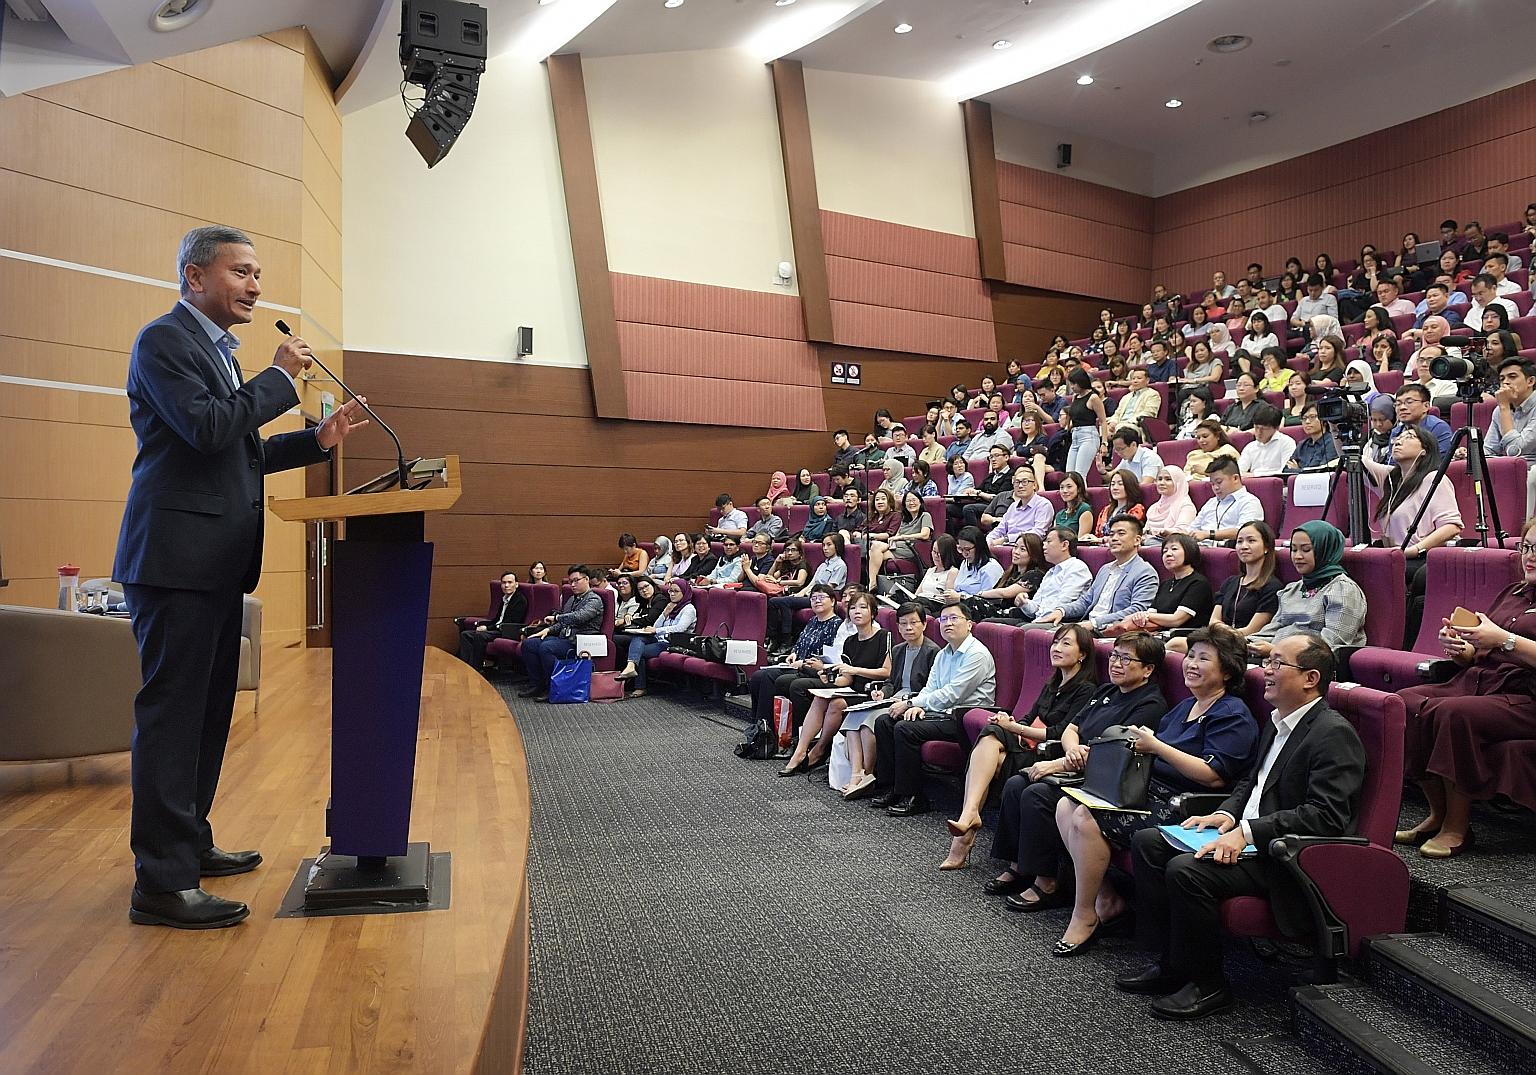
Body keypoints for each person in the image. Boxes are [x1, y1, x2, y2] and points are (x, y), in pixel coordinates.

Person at [113, 227, 371, 929]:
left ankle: (188, 842)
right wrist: (281, 379)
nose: (256, 285)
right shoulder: (165, 341)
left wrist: (315, 441)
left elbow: (236, 447)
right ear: (196, 277)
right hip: (174, 562)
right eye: (242, 272)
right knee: (172, 720)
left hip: (213, 564)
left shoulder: (218, 354)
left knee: (206, 715)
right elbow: (204, 428)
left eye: (259, 273)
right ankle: (160, 883)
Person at [1122, 632, 1364, 1020]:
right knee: (1150, 842)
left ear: (1310, 678)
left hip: (1282, 855)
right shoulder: (1278, 722)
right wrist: (1227, 815)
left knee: (1187, 871)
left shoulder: (1332, 733)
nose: (1265, 671)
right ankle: (1172, 964)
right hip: (1247, 836)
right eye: (1267, 663)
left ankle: (1208, 984)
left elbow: (1326, 815)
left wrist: (1248, 832)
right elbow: (1250, 784)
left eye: (1276, 664)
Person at [1053, 625, 1259, 955]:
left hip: (1185, 805)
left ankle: (1084, 914)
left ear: (1227, 671)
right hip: (1149, 790)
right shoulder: (1185, 707)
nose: (1190, 663)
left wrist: (1156, 746)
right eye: (1190, 656)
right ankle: (1104, 899)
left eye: (1203, 658)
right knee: (1066, 806)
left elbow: (1213, 776)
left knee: (1085, 819)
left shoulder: (1231, 713)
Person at [985, 632, 1167, 910]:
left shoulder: (1150, 704)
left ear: (1148, 670)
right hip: (1076, 762)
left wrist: (1059, 763)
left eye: (1126, 659)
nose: (1116, 663)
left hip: (1105, 777)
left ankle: (1048, 881)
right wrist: (1071, 750)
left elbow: (1118, 751)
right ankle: (1019, 865)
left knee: (1037, 794)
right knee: (1015, 784)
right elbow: (1073, 728)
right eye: (1115, 655)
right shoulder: (1106, 691)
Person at [1394, 518, 1536, 857]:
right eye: (1527, 548)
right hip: (1480, 682)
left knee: (1452, 713)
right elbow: (1480, 653)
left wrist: (1504, 640)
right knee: (1403, 703)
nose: (1530, 557)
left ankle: (1457, 827)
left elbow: (1503, 643)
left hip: (1525, 696)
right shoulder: (1513, 592)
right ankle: (1437, 814)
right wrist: (1462, 648)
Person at [939, 623, 1098, 869]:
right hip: (1028, 746)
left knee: (992, 751)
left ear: (1082, 654)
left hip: (1049, 755)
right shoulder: (1053, 683)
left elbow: (1060, 732)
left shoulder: (1087, 690)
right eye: (1055, 642)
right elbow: (1028, 717)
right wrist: (1012, 723)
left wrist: (1015, 729)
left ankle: (966, 829)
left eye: (1066, 643)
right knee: (992, 735)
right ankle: (969, 817)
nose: (1056, 648)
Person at [870, 601, 998, 815]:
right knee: (885, 721)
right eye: (944, 619)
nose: (948, 623)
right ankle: (890, 787)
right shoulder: (944, 654)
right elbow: (931, 689)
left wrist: (913, 703)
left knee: (905, 728)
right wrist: (919, 706)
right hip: (941, 713)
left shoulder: (977, 654)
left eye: (954, 618)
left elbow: (953, 694)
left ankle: (914, 796)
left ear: (969, 624)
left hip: (964, 719)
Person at [1361, 427, 1462, 645]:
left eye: (1409, 438)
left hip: (1421, 557)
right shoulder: (1390, 479)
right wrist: (1334, 427)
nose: (1398, 441)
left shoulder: (1434, 479)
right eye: (1397, 438)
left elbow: (1452, 526)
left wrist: (1414, 549)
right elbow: (1356, 461)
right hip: (1394, 555)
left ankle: (1398, 642)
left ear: (1424, 450)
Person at [777, 592, 892, 776]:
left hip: (874, 693)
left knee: (836, 704)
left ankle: (819, 749)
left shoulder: (884, 637)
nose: (857, 612)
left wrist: (855, 670)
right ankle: (801, 750)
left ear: (873, 612)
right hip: (853, 689)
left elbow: (887, 672)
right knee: (820, 697)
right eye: (853, 608)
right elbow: (847, 679)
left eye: (863, 607)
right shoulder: (850, 641)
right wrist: (829, 680)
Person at [740, 585, 843, 750]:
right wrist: (794, 653)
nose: (817, 601)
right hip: (797, 665)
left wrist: (803, 663)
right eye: (813, 598)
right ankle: (758, 727)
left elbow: (828, 656)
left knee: (768, 678)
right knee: (757, 677)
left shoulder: (836, 624)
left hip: (813, 669)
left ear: (832, 601)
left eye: (821, 597)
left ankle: (768, 735)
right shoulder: (812, 620)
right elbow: (800, 644)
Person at [1246, 521, 1367, 661]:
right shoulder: (1293, 589)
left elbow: (1331, 645)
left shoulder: (1343, 589)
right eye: (1294, 549)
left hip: (1309, 664)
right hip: (1277, 657)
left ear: (1324, 550)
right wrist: (1244, 643)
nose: (1297, 556)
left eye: (1306, 549)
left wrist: (1276, 650)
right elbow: (1273, 629)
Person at [1167, 520, 1282, 654]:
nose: (1244, 546)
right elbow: (1214, 621)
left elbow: (1253, 630)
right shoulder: (1230, 582)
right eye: (1239, 541)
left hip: (1244, 643)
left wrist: (1222, 634)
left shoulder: (1272, 587)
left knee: (1176, 644)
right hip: (1220, 639)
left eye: (1251, 541)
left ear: (1266, 547)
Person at [1045, 514, 1159, 630]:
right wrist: (1062, 611)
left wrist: (1095, 623)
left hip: (1110, 629)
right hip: (1086, 624)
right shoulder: (1105, 569)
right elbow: (1086, 601)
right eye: (1111, 534)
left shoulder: (1145, 572)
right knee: (1036, 630)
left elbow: (1137, 610)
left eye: (1121, 533)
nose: (1114, 538)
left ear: (1137, 540)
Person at [518, 565, 607, 701]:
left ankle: (554, 687)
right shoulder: (572, 599)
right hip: (565, 638)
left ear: (587, 579)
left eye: (576, 580)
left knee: (546, 648)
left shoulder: (594, 600)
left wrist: (556, 618)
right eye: (570, 581)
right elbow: (563, 623)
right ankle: (537, 684)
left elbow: (579, 617)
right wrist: (547, 630)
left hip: (581, 641)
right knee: (529, 644)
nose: (572, 584)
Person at [1108, 535, 1215, 634]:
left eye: (1174, 549)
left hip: (1183, 636)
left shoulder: (1198, 583)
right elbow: (1151, 612)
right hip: (1158, 634)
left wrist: (1145, 615)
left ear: (1189, 552)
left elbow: (1176, 620)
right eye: (1164, 551)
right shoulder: (1165, 584)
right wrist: (1140, 617)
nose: (1168, 554)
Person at [1486, 356, 1536, 518]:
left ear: (1530, 381)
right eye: (1502, 379)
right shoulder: (1498, 411)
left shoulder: (1503, 408)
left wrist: (1504, 408)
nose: (1505, 383)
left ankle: (1522, 530)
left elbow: (1517, 450)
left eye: (1512, 377)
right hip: (1510, 469)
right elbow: (1488, 450)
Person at [458, 571, 529, 671]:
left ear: (516, 584)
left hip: (507, 631)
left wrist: (487, 628)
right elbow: (497, 619)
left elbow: (509, 622)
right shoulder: (504, 598)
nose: (506, 585)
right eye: (504, 583)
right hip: (497, 628)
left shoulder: (520, 600)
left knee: (480, 635)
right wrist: (484, 625)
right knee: (465, 634)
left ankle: (477, 669)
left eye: (510, 582)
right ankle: (465, 666)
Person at [1188, 456, 1265, 543]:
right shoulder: (1211, 502)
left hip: (1229, 550)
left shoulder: (1249, 502)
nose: (1215, 488)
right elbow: (1192, 529)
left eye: (1219, 482)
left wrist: (1209, 534)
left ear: (1235, 478)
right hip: (1201, 549)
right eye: (1212, 484)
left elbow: (1245, 531)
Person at [868, 490, 934, 580]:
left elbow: (925, 535)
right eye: (908, 501)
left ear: (920, 501)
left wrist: (903, 537)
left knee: (875, 547)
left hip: (911, 548)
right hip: (898, 548)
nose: (911, 503)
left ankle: (871, 583)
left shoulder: (925, 515)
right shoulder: (904, 519)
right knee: (873, 553)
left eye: (914, 500)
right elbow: (897, 535)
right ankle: (873, 583)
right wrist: (894, 539)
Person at [985, 470, 1054, 548]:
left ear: (1034, 485)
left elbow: (1038, 533)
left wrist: (1007, 539)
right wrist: (988, 540)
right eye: (1017, 482)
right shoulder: (1013, 506)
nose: (1020, 486)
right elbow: (1000, 529)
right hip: (1007, 545)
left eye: (1025, 482)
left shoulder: (1043, 505)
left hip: (1028, 547)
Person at [959, 444, 1016, 530]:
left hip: (995, 506)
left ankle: (976, 537)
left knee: (968, 509)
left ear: (1006, 457)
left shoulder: (1011, 475)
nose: (993, 459)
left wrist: (979, 493)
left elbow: (999, 497)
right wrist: (970, 491)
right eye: (991, 457)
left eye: (996, 456)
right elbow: (979, 489)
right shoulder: (991, 476)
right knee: (950, 508)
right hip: (982, 503)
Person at [1064, 368, 1108, 477]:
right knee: (1069, 475)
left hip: (1088, 436)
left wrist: (1104, 443)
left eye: (1074, 384)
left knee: (1079, 474)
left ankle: (1082, 494)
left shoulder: (1093, 397)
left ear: (1081, 382)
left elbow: (1103, 421)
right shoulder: (1075, 397)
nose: (1072, 387)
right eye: (1071, 384)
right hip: (1075, 437)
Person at [1392, 383, 1454, 456]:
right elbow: (1391, 462)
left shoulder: (1438, 428)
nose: (1402, 407)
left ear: (1426, 406)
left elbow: (1439, 461)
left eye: (1409, 402)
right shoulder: (1396, 431)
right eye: (1398, 404)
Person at [1236, 405, 1295, 477]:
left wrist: (1254, 475)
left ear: (1276, 428)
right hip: (1253, 483)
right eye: (1256, 427)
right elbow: (1239, 471)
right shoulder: (1250, 446)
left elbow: (1285, 472)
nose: (1259, 432)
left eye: (1263, 429)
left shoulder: (1287, 443)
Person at [1143, 466, 1197, 539]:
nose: (1161, 483)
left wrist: (1153, 532)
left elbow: (1182, 533)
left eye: (1168, 479)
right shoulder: (1153, 508)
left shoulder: (1186, 506)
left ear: (1178, 482)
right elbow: (1145, 531)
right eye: (1159, 479)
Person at [950, 526, 1005, 596]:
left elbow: (986, 599)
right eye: (961, 549)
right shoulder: (965, 563)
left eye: (967, 549)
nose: (964, 554)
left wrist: (960, 597)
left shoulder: (991, 568)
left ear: (979, 547)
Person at [1107, 367, 1161, 434]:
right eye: (1133, 378)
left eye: (1139, 378)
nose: (1135, 381)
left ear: (1147, 380)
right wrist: (1113, 422)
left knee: (1121, 429)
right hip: (1120, 424)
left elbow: (1149, 413)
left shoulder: (1152, 394)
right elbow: (1117, 413)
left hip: (1136, 425)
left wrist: (1128, 421)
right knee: (1103, 429)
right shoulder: (1126, 397)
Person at [1287, 405, 1340, 472]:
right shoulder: (1302, 445)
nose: (1307, 421)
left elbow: (1321, 470)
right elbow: (1287, 468)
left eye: (1312, 417)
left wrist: (1298, 470)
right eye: (1304, 418)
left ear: (1323, 420)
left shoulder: (1332, 442)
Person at [1053, 472, 1094, 540]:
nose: (1064, 491)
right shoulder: (1059, 515)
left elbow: (1081, 540)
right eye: (1062, 487)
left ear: (1079, 489)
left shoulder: (1084, 509)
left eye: (1069, 487)